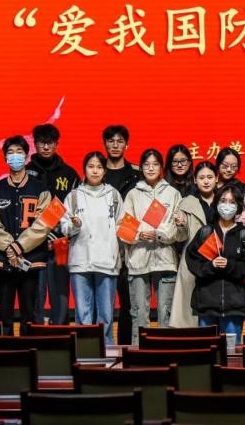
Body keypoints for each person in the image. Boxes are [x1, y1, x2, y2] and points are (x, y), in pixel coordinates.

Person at [0, 135, 52, 335]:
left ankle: (28, 352)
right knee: (4, 316)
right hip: (3, 261)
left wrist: (19, 247)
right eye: (10, 153)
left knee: (29, 316)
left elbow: (43, 224)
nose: (15, 157)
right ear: (5, 158)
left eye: (19, 152)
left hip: (30, 261)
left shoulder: (41, 189)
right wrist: (9, 248)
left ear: (27, 155)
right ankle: (4, 352)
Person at [59, 151, 122, 344]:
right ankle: (84, 349)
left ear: (105, 171)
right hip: (80, 261)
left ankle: (107, 349)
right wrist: (74, 225)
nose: (95, 171)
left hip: (107, 261)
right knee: (82, 313)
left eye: (99, 167)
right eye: (91, 166)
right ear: (84, 169)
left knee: (106, 313)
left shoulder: (113, 195)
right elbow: (64, 227)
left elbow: (122, 226)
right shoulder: (74, 196)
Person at [122, 148, 184, 344]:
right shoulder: (132, 194)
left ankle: (165, 350)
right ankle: (139, 352)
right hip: (138, 259)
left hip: (166, 260)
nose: (150, 168)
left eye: (155, 164)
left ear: (161, 168)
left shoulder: (173, 194)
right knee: (139, 312)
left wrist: (160, 234)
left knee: (166, 311)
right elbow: (123, 228)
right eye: (146, 164)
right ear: (141, 167)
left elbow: (180, 230)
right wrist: (139, 235)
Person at [185, 183, 245, 342]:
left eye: (232, 202)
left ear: (238, 207)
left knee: (231, 352)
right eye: (223, 201)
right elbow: (192, 260)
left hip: (234, 306)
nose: (227, 205)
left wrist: (230, 265)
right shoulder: (206, 232)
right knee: (207, 350)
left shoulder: (244, 235)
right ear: (216, 203)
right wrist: (211, 266)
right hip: (206, 304)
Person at [28, 123, 80, 325]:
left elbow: (76, 210)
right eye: (42, 142)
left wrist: (61, 235)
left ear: (57, 144)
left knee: (60, 293)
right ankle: (35, 333)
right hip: (33, 245)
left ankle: (61, 331)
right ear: (35, 144)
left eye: (50, 142)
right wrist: (40, 236)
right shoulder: (26, 172)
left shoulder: (69, 174)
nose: (46, 147)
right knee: (35, 294)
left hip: (61, 243)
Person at [101, 124, 139, 345]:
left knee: (128, 304)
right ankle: (101, 349)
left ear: (126, 145)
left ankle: (127, 349)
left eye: (120, 141)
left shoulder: (137, 174)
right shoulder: (96, 172)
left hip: (129, 246)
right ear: (104, 144)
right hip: (101, 246)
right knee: (102, 304)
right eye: (111, 141)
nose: (115, 145)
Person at [170, 161, 218, 328]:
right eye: (202, 177)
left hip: (218, 260)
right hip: (193, 260)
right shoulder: (186, 203)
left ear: (216, 178)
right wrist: (181, 225)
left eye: (210, 177)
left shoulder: (225, 201)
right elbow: (180, 237)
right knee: (190, 319)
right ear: (195, 180)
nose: (206, 181)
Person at [214, 148, 245, 229]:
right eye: (225, 165)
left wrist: (231, 230)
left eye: (234, 167)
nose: (229, 170)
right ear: (218, 164)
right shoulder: (209, 185)